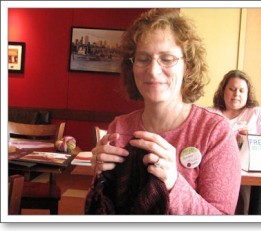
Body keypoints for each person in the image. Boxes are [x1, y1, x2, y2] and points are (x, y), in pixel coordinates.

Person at [85, 8, 241, 215]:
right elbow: (105, 208)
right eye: (143, 58)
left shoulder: (214, 131)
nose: (153, 70)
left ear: (187, 66)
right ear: (132, 66)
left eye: (167, 59)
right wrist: (99, 178)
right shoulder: (120, 127)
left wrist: (173, 182)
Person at [211, 69, 261, 214]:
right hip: (216, 172)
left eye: (242, 90)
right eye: (232, 89)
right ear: (223, 91)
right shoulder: (210, 113)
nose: (237, 94)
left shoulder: (258, 113)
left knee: (251, 206)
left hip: (251, 177)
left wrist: (251, 139)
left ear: (248, 94)